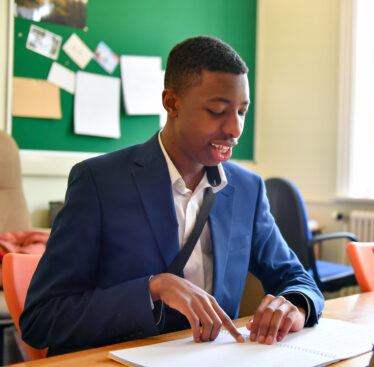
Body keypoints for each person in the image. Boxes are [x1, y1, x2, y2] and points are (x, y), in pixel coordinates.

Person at [19, 35, 324, 356]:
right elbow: (41, 319)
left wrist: (295, 305)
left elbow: (297, 278)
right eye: (218, 111)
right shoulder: (99, 182)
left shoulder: (247, 189)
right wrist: (151, 290)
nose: (235, 129)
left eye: (242, 112)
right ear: (172, 103)